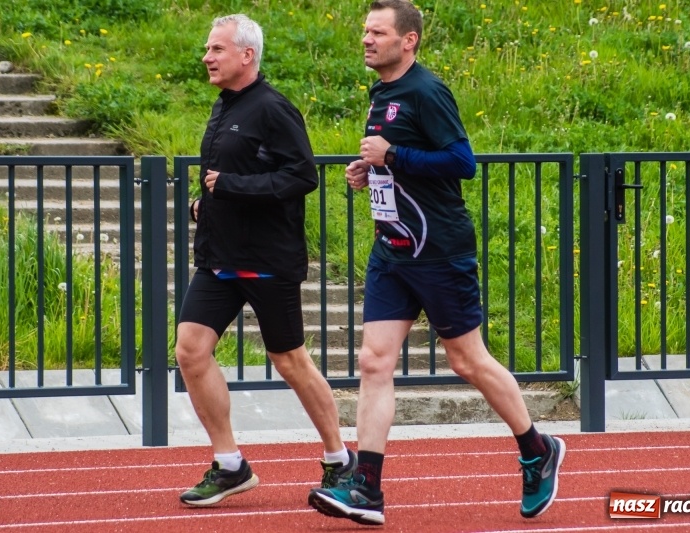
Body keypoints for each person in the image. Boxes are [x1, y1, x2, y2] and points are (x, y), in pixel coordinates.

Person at [307, 0, 564, 525]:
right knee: (374, 362)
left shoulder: (426, 90)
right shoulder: (382, 92)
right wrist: (370, 171)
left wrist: (393, 157)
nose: (365, 39)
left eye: (377, 32)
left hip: (438, 251)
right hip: (392, 249)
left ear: (409, 41)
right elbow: (394, 157)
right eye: (364, 31)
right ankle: (367, 489)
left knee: (467, 361)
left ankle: (537, 449)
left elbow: (461, 162)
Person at [176, 13, 355, 507]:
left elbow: (302, 177)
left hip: (266, 261)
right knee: (190, 350)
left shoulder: (274, 109)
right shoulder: (224, 105)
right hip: (219, 259)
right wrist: (206, 204)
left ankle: (340, 458)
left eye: (216, 49)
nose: (206, 57)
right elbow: (226, 175)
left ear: (246, 55)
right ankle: (230, 464)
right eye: (208, 49)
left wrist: (230, 188)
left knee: (289, 360)